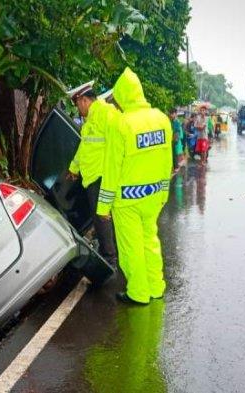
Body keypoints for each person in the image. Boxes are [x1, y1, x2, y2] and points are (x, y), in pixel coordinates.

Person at [97, 67, 172, 305]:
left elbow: (111, 170)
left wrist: (103, 207)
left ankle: (138, 293)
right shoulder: (162, 119)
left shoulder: (121, 124)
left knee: (131, 248)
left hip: (127, 199)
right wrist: (164, 192)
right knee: (150, 241)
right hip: (154, 196)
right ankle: (156, 286)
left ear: (122, 96)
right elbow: (166, 160)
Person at [66, 81, 119, 265]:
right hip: (91, 176)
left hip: (102, 177)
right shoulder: (91, 119)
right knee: (101, 218)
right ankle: (110, 250)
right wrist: (74, 168)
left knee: (102, 217)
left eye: (77, 103)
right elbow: (85, 146)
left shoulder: (106, 114)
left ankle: (109, 257)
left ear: (83, 100)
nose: (77, 109)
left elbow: (116, 146)